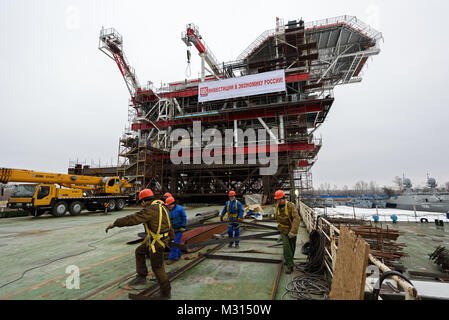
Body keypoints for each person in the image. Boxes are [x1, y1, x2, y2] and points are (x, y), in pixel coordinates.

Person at [105, 188, 174, 299]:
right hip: (157, 240)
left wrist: (115, 223)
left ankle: (166, 293)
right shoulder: (162, 207)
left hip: (157, 243)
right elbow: (169, 225)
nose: (142, 205)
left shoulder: (150, 210)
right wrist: (171, 238)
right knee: (140, 251)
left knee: (158, 268)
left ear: (144, 201)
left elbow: (133, 218)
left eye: (141, 202)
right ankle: (141, 276)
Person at [274, 190, 301, 274]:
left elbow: (297, 219)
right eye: (277, 200)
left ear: (283, 198)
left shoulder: (290, 206)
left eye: (279, 199)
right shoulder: (278, 206)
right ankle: (290, 266)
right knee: (286, 248)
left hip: (291, 230)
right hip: (283, 230)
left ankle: (290, 260)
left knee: (292, 247)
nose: (278, 201)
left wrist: (293, 231)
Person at [165, 196, 187, 265]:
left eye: (169, 205)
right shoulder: (167, 210)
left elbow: (184, 217)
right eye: (167, 205)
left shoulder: (180, 209)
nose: (168, 206)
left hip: (179, 228)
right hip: (171, 229)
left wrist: (183, 226)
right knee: (174, 243)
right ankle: (178, 254)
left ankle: (173, 258)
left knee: (175, 243)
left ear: (173, 204)